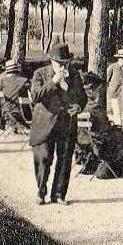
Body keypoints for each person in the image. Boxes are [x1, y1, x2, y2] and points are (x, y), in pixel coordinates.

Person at [29, 43, 87, 205]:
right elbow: (36, 96)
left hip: (66, 123)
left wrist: (78, 106)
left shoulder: (74, 75)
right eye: (59, 63)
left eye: (65, 63)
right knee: (43, 158)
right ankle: (41, 192)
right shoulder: (40, 74)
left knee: (65, 159)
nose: (62, 66)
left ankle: (59, 194)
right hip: (45, 123)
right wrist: (54, 81)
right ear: (51, 61)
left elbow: (82, 97)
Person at [0, 60, 30, 131]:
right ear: (16, 70)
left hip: (3, 109)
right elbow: (32, 93)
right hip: (17, 109)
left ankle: (14, 126)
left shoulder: (1, 79)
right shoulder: (23, 80)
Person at [106, 48, 123, 127]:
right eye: (122, 58)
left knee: (122, 110)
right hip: (115, 93)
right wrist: (111, 88)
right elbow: (107, 79)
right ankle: (118, 125)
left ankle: (119, 124)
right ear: (118, 58)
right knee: (116, 110)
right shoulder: (113, 67)